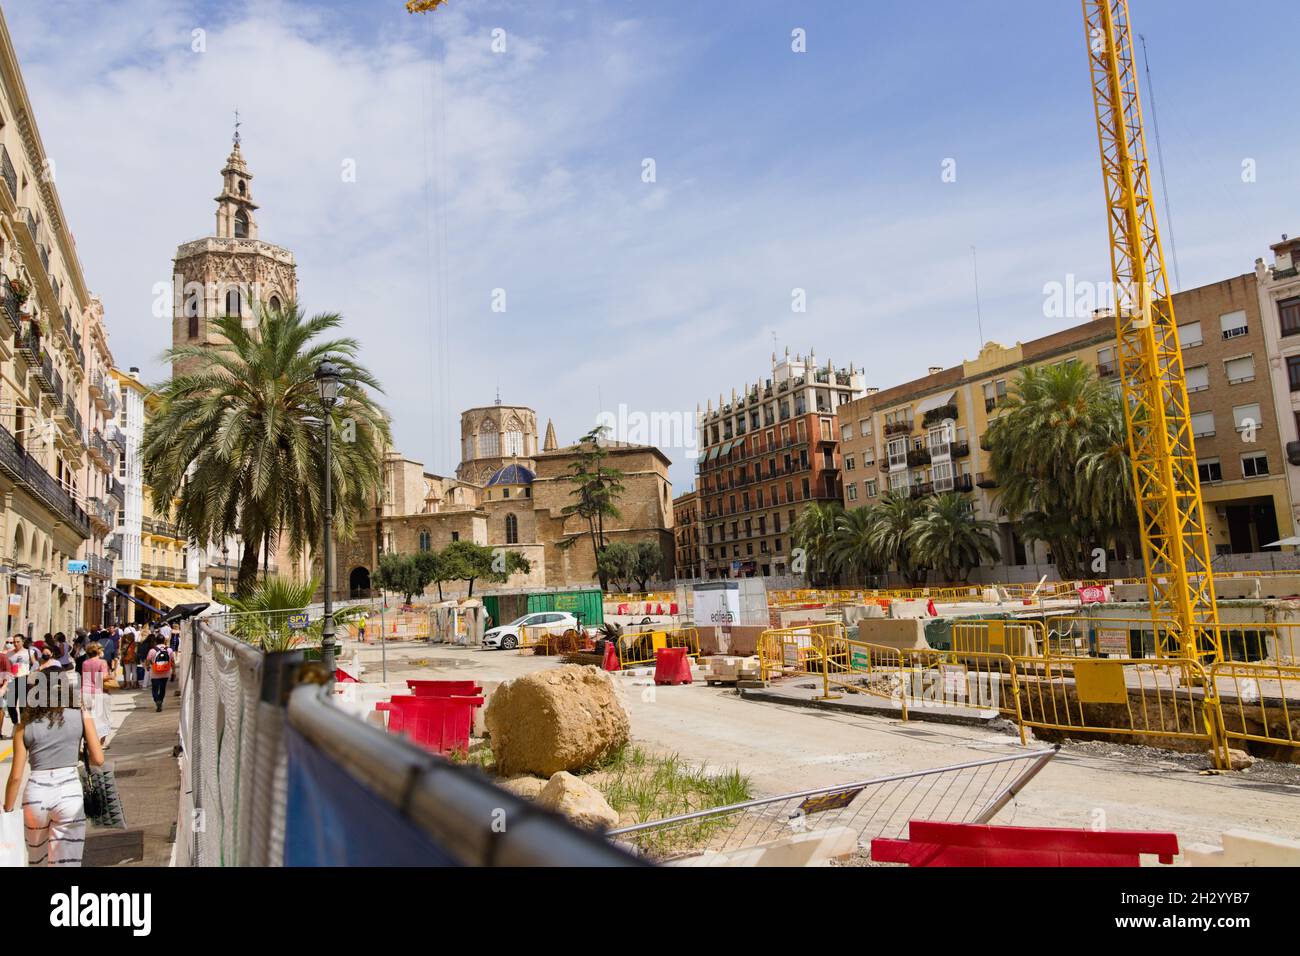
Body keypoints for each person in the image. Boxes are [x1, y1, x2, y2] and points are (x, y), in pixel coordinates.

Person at [3, 670, 105, 866]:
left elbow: (15, 777)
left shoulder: (24, 725)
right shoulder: (81, 713)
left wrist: (7, 810)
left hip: (35, 797)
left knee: (37, 860)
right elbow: (98, 759)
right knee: (67, 863)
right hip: (69, 794)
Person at [80, 642, 111, 744]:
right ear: (98, 651)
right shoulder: (102, 662)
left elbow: (88, 678)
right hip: (99, 692)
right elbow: (101, 678)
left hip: (85, 692)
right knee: (102, 718)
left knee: (88, 718)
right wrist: (111, 676)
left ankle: (89, 741)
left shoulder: (85, 663)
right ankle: (101, 743)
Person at [145, 637, 174, 712]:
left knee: (155, 688)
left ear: (156, 641)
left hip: (155, 673)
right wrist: (173, 671)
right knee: (162, 688)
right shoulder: (169, 650)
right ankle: (160, 700)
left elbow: (147, 660)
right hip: (165, 672)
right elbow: (172, 661)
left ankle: (157, 700)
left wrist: (147, 667)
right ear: (164, 641)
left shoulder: (152, 650)